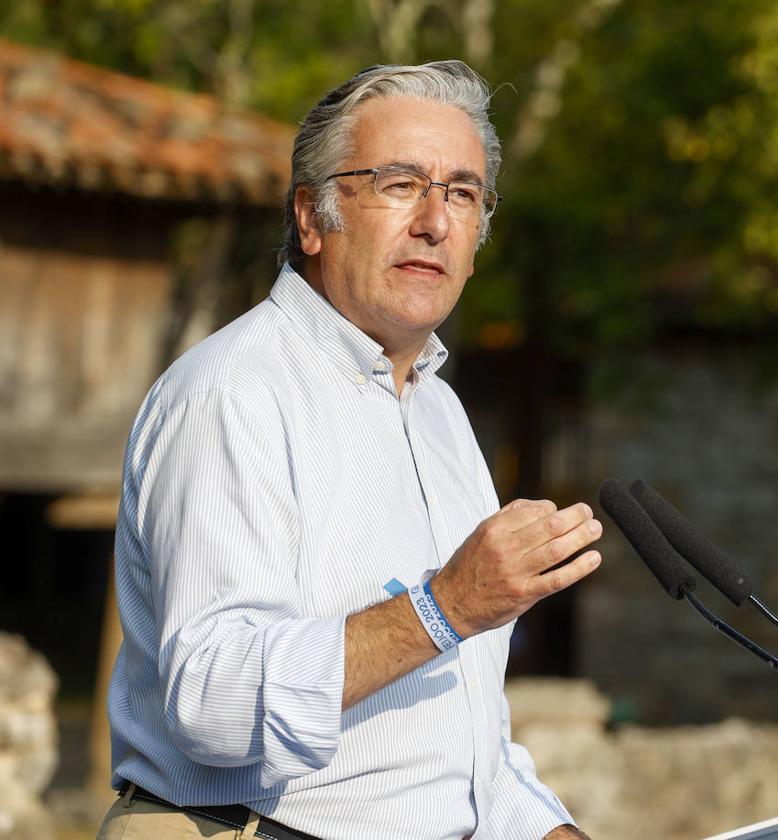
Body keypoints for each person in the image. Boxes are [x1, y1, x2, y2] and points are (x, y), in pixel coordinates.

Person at [96, 61, 600, 840]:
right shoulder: (233, 393)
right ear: (311, 217)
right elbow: (212, 704)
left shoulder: (440, 412)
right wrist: (445, 606)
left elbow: (463, 748)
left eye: (463, 194)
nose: (435, 220)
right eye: (402, 184)